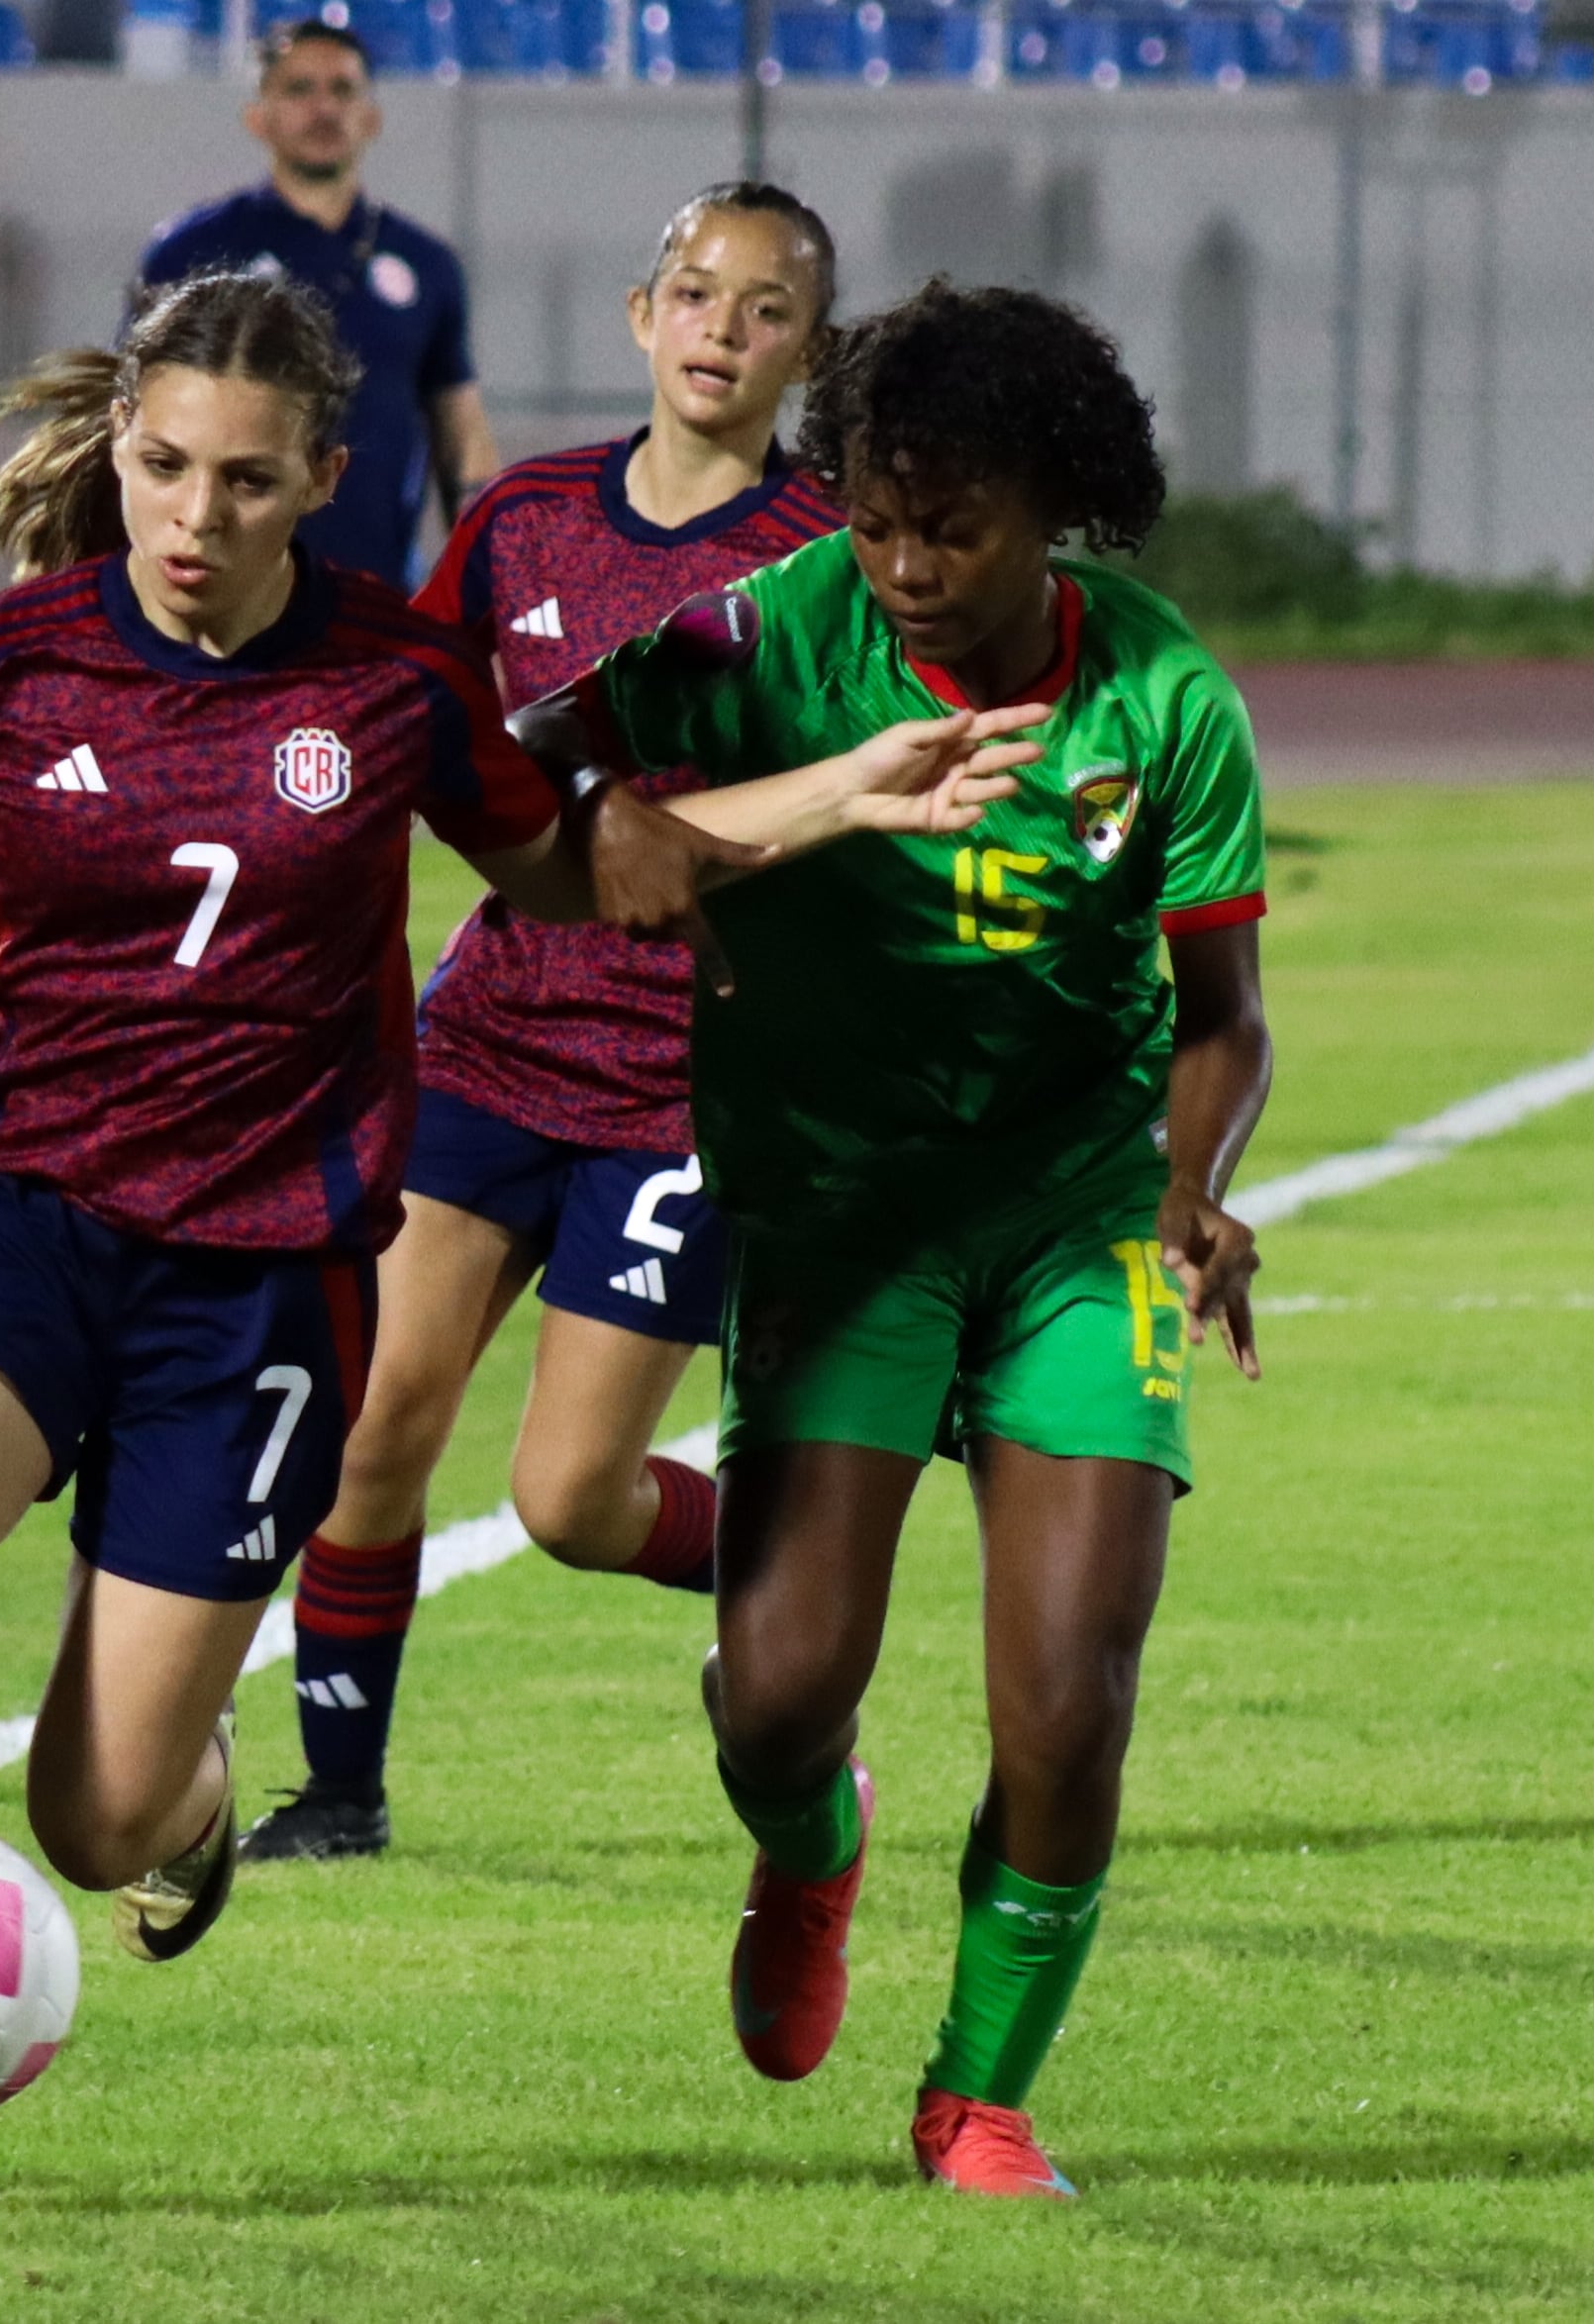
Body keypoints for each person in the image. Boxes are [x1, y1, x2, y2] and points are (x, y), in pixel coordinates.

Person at [0, 269, 1039, 2209]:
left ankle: (181, 1796)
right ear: (115, 449)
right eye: (161, 468)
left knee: (91, 1812)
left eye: (245, 482)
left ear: (322, 484)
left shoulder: (390, 678)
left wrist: (841, 790)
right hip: (16, 1238)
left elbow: (598, 866)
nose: (193, 520)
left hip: (261, 1295)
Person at [514, 280, 1275, 2201]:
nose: (906, 563)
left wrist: (1190, 1188)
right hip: (840, 1220)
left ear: (1055, 510)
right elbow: (527, 747)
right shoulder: (766, 639)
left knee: (1064, 1694)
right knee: (775, 1688)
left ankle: (976, 2097)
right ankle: (805, 1845)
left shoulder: (1161, 696)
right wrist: (613, 825)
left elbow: (1216, 1015)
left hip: (1071, 1224)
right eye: (871, 518)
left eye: (953, 527)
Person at [244, 182, 846, 1865]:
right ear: (641, 314)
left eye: (767, 307)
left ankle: (802, 1587)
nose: (723, 327)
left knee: (571, 1500)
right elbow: (409, 730)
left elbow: (866, 797)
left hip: (687, 1080)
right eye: (698, 293)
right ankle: (341, 1796)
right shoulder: (519, 519)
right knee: (370, 1424)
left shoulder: (827, 557)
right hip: (493, 1038)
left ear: (806, 349)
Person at [136, 21, 491, 587]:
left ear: (371, 117)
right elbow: (129, 418)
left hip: (378, 597)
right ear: (259, 117)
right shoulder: (189, 252)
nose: (323, 108)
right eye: (299, 89)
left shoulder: (427, 263)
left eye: (343, 90)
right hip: (223, 599)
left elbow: (461, 433)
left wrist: (489, 583)